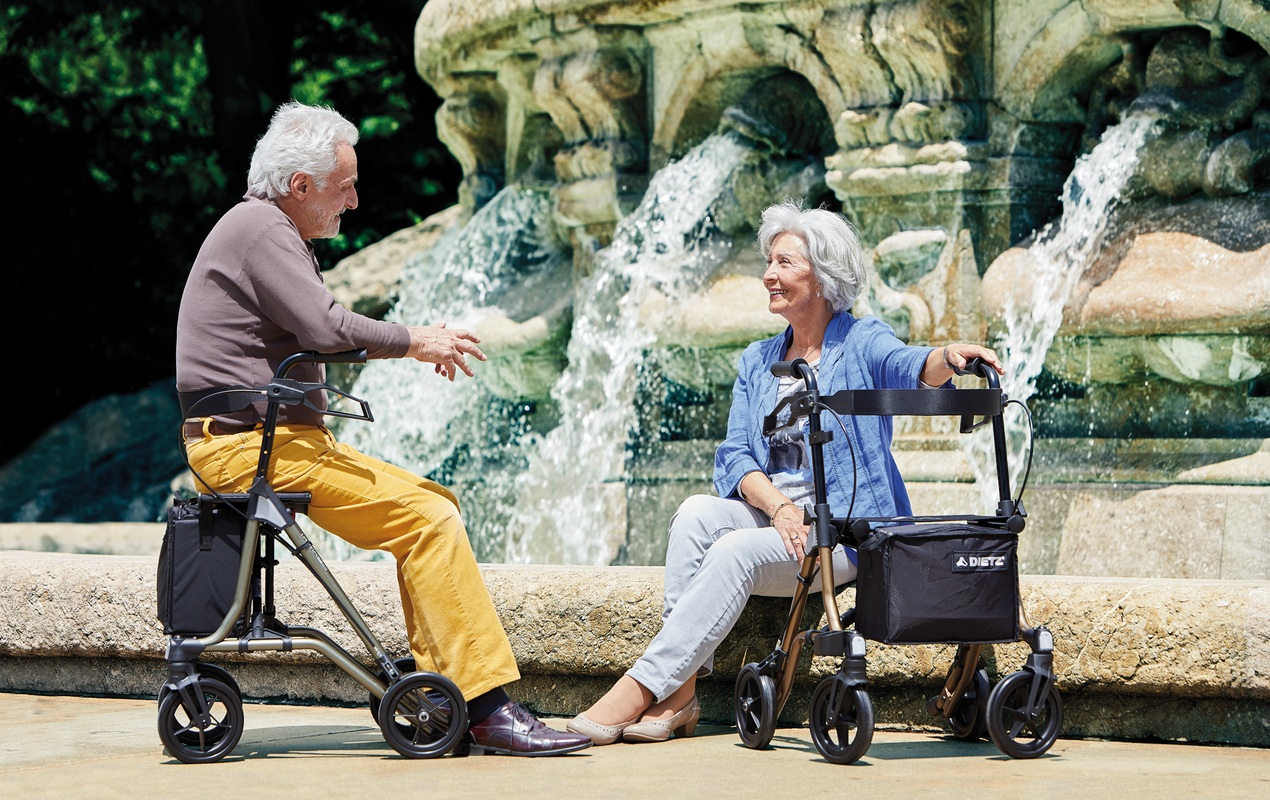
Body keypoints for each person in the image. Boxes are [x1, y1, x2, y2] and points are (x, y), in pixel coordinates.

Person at [176, 101, 591, 757]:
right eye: (345, 187)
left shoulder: (263, 229)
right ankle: (486, 708)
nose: (355, 200)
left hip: (262, 442)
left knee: (432, 508)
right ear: (300, 186)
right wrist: (417, 339)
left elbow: (317, 333)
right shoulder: (262, 230)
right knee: (427, 519)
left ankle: (446, 688)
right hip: (248, 448)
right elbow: (327, 328)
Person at [567, 201, 1004, 744]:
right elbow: (734, 456)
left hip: (842, 533)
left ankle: (639, 689)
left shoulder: (860, 340)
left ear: (822, 277)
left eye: (784, 263)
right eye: (769, 262)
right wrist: (776, 507)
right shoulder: (757, 360)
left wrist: (948, 355)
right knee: (694, 514)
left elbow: (909, 364)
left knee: (730, 551)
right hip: (781, 520)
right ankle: (679, 697)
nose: (768, 275)